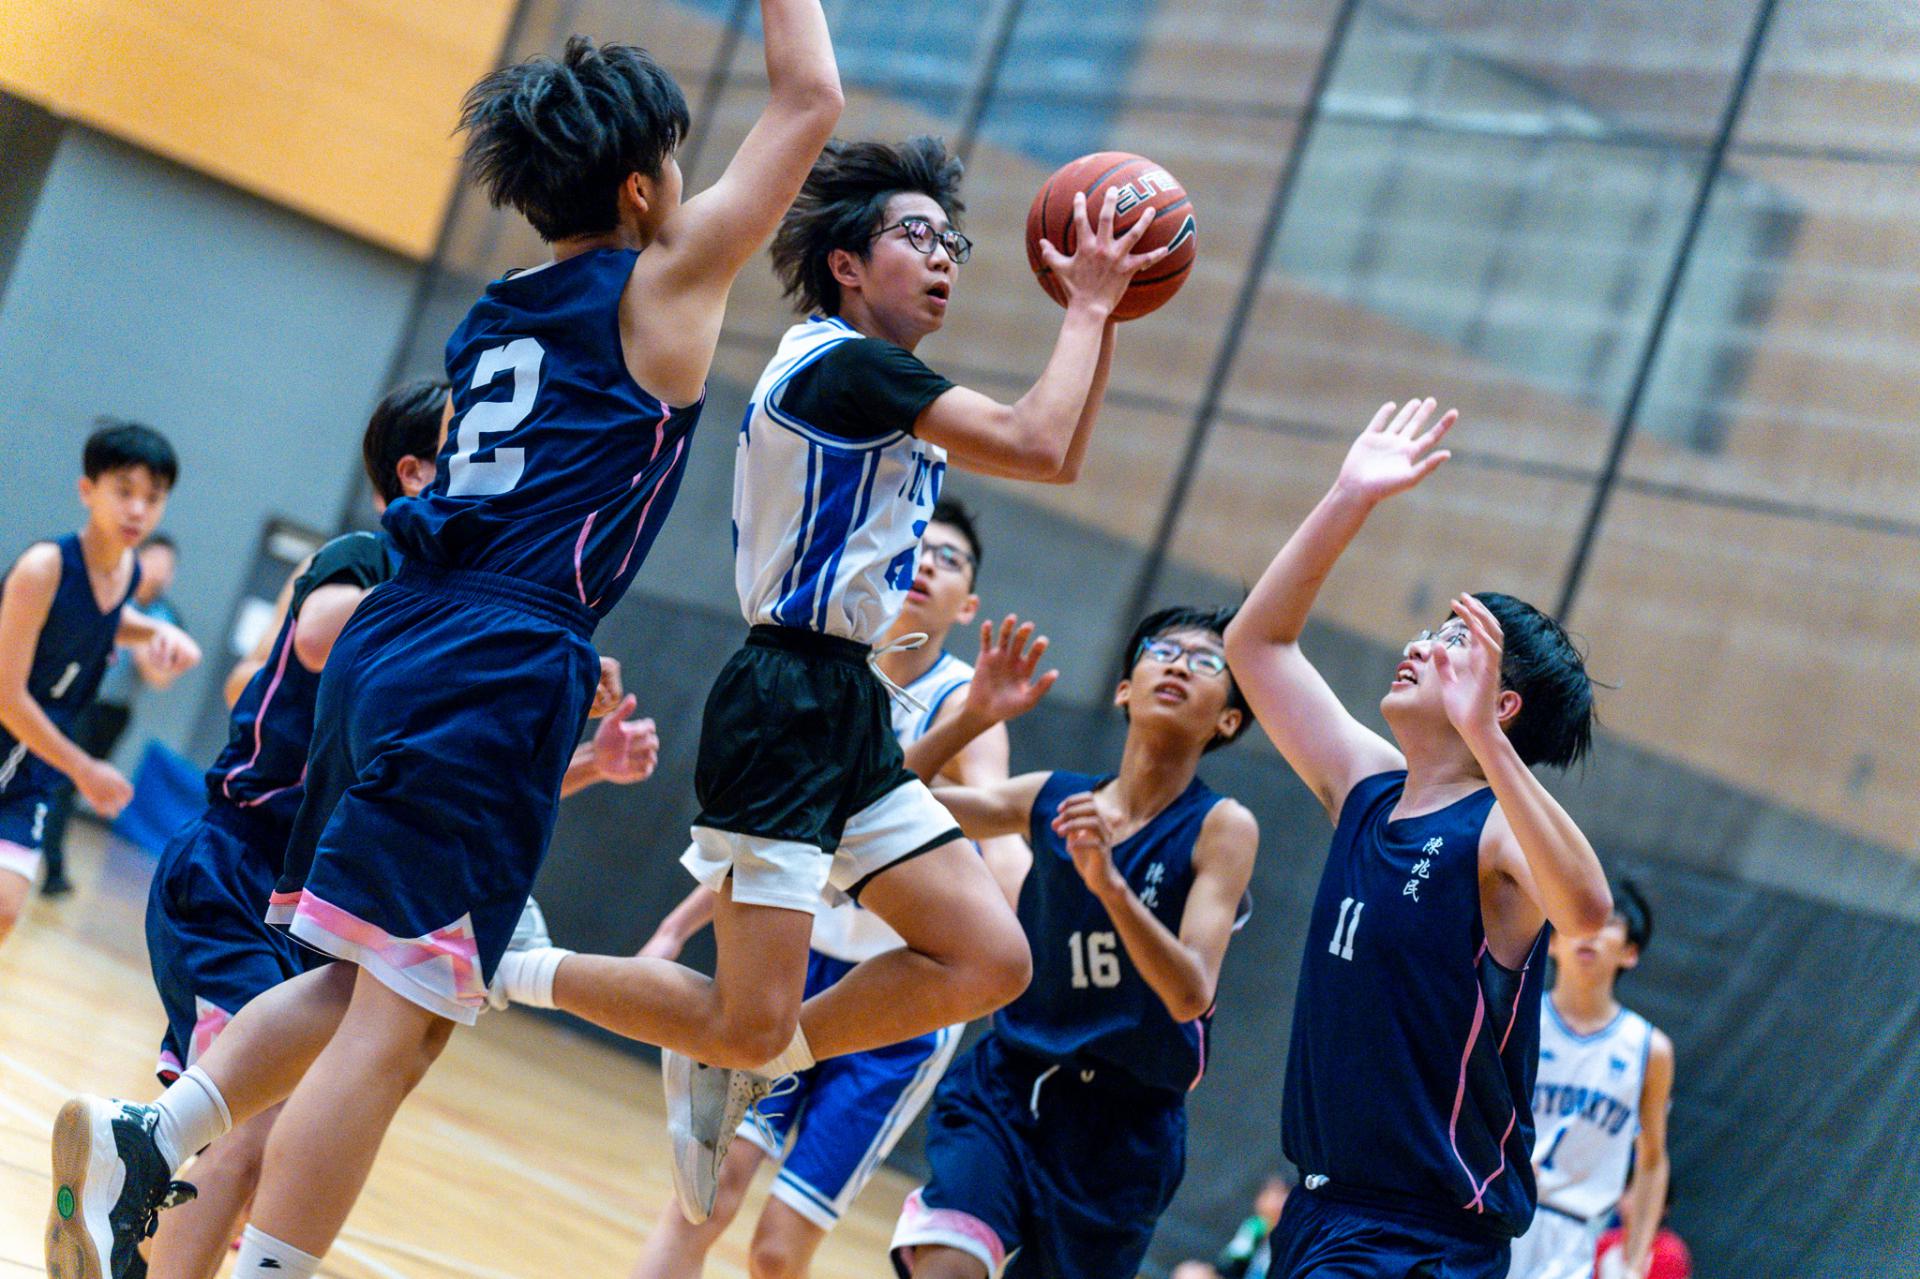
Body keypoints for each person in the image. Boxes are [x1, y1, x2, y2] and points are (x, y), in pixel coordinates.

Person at [49, 13, 844, 1279]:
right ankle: (237, 1227)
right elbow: (809, 97)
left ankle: (160, 1131)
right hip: (498, 650)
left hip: (402, 637)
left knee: (362, 976)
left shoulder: (496, 313)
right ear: (643, 187)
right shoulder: (658, 283)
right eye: (677, 171)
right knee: (403, 1016)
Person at [491, 131, 1169, 1224]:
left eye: (955, 241)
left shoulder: (877, 378)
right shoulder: (842, 364)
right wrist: (1085, 310)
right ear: (847, 265)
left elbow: (1064, 453)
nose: (945, 255)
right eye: (917, 236)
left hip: (844, 702)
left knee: (989, 957)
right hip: (787, 697)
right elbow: (1038, 445)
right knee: (743, 1015)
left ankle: (752, 1063)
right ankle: (513, 962)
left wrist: (1112, 316)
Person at [135, 380, 657, 1279]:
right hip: (237, 872)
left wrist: (588, 758)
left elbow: (451, 798)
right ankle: (128, 1163)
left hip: (325, 894)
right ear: (421, 472)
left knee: (261, 1134)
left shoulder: (445, 606)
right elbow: (318, 631)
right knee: (242, 1134)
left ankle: (136, 1176)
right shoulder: (370, 561)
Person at [1220, 398, 1613, 1278]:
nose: (1419, 644)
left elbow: (1588, 913)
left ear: (1500, 703)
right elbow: (1258, 645)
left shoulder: (1497, 834)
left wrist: (1490, 745)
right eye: (1431, 629)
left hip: (1423, 1236)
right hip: (1321, 1209)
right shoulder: (1366, 786)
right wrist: (1349, 497)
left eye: (1453, 644)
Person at [629, 499, 1031, 1279]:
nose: (928, 564)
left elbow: (1001, 831)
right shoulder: (838, 670)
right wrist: (679, 927)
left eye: (951, 559)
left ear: (968, 604)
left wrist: (1010, 909)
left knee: (779, 1251)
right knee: (706, 1196)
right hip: (796, 961)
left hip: (893, 1010)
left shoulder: (964, 700)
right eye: (921, 546)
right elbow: (773, 836)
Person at [889, 604, 1261, 1279]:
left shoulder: (1222, 827)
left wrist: (1110, 885)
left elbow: (1188, 992)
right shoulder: (1051, 798)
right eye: (1161, 650)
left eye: (1205, 661)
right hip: (1010, 1088)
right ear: (1125, 687)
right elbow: (887, 801)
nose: (1177, 663)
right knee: (946, 1267)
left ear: (1228, 718)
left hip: (1123, 1133)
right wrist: (974, 715)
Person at [0, 422, 199, 950]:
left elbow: (108, 619)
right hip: (16, 727)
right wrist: (84, 768)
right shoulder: (44, 568)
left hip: (28, 768)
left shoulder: (128, 571)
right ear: (88, 490)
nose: (138, 510)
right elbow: (7, 699)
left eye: (152, 498)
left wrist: (160, 631)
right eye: (124, 491)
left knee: (5, 906)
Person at [1507, 880, 1673, 1279]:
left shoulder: (1649, 1049)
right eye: (1579, 918)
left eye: (1609, 922)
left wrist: (1635, 1261)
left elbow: (1651, 1161)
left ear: (1630, 952)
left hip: (1574, 1238)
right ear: (1550, 941)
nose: (1591, 930)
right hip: (1500, 1217)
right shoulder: (1516, 1021)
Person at [40, 532, 189, 896]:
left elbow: (160, 679)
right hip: (80, 699)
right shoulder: (111, 592)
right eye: (155, 560)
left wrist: (145, 648)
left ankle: (43, 854)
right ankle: (52, 869)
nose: (160, 571)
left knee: (75, 786)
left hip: (114, 714)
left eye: (167, 567)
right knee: (62, 781)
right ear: (139, 558)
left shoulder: (165, 618)